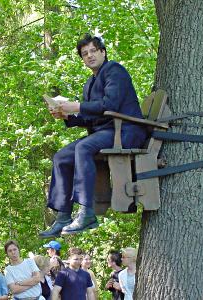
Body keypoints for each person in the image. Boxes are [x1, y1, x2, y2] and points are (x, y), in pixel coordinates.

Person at [40, 33, 147, 238]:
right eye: (84, 53)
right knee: (61, 157)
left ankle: (86, 211)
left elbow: (110, 105)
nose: (89, 56)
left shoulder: (115, 71)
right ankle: (63, 216)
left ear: (103, 52)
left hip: (126, 131)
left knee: (83, 147)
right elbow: (90, 118)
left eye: (93, 51)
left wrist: (77, 106)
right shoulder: (89, 83)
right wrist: (66, 115)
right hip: (105, 132)